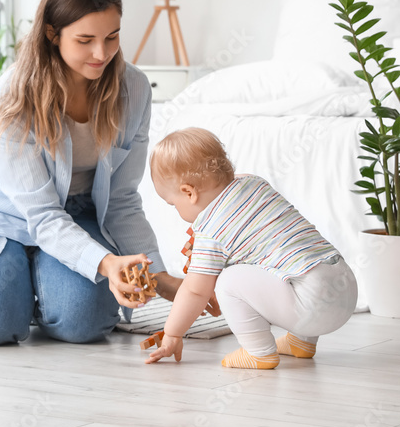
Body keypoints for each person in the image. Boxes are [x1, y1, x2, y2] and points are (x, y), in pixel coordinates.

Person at [0, 0, 218, 346]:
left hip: (76, 212)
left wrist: (161, 279)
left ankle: (35, 290)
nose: (102, 53)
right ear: (52, 34)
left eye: (112, 37)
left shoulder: (134, 89)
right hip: (2, 212)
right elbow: (41, 214)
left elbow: (123, 201)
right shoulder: (16, 92)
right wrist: (107, 264)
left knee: (85, 324)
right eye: (85, 40)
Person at [145, 127, 357, 369]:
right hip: (344, 284)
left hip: (313, 303)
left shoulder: (210, 230)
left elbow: (195, 291)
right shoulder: (255, 183)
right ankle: (301, 342)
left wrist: (173, 334)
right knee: (287, 260)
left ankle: (259, 352)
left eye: (173, 204)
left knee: (227, 280)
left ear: (189, 192)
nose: (177, 210)